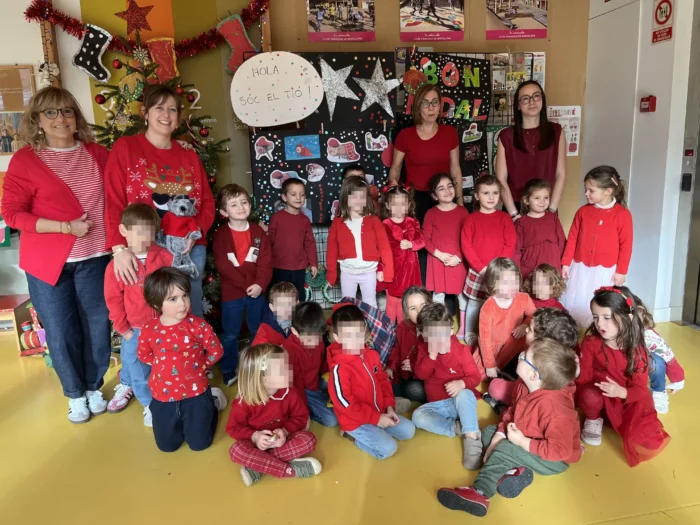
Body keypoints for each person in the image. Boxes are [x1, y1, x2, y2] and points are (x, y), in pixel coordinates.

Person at [2, 87, 111, 424]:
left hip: (95, 256)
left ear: (76, 117)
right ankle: (75, 394)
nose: (60, 118)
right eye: (50, 112)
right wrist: (65, 228)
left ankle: (93, 387)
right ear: (37, 120)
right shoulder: (25, 160)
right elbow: (12, 214)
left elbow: (123, 189)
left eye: (66, 111)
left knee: (96, 327)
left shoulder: (98, 154)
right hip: (47, 263)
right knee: (60, 332)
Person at [437, 339, 581, 518]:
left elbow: (560, 450)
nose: (520, 355)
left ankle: (480, 492)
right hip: (527, 436)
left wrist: (521, 441)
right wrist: (498, 436)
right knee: (489, 433)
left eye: (524, 356)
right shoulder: (525, 385)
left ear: (534, 375)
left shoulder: (555, 410)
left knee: (506, 449)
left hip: (554, 459)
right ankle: (515, 472)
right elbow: (513, 411)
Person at [104, 84, 214, 317]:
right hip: (144, 247)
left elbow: (206, 201)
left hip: (188, 248)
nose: (166, 114)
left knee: (189, 310)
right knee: (149, 312)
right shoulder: (126, 148)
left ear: (178, 117)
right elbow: (113, 201)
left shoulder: (188, 155)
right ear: (145, 113)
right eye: (159, 108)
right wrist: (119, 248)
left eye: (172, 109)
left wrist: (196, 233)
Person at [576, 287, 670, 467]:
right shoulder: (590, 342)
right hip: (598, 393)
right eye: (595, 317)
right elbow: (584, 379)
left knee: (648, 441)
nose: (599, 324)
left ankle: (612, 417)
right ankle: (594, 418)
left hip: (626, 399)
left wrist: (621, 392)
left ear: (628, 317)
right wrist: (575, 372)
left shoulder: (637, 351)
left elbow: (640, 390)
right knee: (588, 395)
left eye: (607, 317)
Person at [137, 268, 223, 452]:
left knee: (200, 445)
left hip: (196, 395)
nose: (183, 303)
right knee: (167, 447)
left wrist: (201, 364)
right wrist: (163, 365)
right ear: (157, 304)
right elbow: (143, 354)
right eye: (173, 299)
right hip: (163, 397)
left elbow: (216, 350)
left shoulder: (198, 326)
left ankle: (213, 404)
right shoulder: (149, 329)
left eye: (185, 295)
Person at [104, 204, 173, 425]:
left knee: (165, 366)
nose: (145, 237)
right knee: (139, 371)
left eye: (150, 231)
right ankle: (149, 406)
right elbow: (113, 301)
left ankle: (167, 398)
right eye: (139, 231)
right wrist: (124, 331)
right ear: (123, 230)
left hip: (165, 326)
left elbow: (176, 290)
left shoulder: (165, 257)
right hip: (135, 331)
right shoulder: (115, 266)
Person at [390, 84, 463, 281]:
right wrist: (396, 200)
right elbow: (395, 169)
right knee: (418, 243)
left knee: (445, 242)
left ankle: (443, 286)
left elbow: (455, 169)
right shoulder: (405, 136)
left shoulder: (450, 133)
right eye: (425, 103)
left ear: (440, 106)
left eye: (435, 102)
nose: (431, 108)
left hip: (444, 198)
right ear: (417, 107)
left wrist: (460, 200)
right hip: (415, 200)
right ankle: (420, 286)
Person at [328, 305, 416, 459]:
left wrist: (389, 407)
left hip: (379, 411)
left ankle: (381, 424)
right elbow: (345, 404)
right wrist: (376, 419)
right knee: (388, 449)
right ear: (338, 338)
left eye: (358, 333)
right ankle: (351, 435)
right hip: (356, 422)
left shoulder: (372, 355)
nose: (355, 340)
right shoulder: (339, 369)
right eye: (348, 335)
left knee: (409, 431)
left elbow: (383, 381)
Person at [226, 343, 321, 486]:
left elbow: (301, 417)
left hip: (283, 440)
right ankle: (289, 471)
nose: (290, 370)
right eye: (283, 369)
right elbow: (233, 428)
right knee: (236, 451)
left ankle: (257, 467)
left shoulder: (291, 392)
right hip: (255, 444)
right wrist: (255, 436)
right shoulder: (243, 401)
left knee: (308, 440)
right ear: (263, 378)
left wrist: (285, 431)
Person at [213, 184, 272, 387]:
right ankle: (228, 368)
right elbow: (223, 266)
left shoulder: (258, 232)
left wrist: (260, 284)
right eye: (234, 204)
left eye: (244, 202)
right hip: (232, 294)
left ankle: (257, 368)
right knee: (230, 334)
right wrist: (247, 284)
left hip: (257, 291)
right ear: (224, 212)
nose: (241, 207)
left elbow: (265, 262)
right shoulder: (221, 235)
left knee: (258, 329)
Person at [412, 303, 482, 469]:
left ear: (450, 330)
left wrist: (461, 383)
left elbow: (475, 377)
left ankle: (472, 440)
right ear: (423, 334)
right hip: (438, 406)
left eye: (441, 335)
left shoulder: (461, 351)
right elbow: (420, 374)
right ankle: (457, 427)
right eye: (431, 336)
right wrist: (431, 356)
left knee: (465, 394)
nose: (437, 341)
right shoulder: (424, 349)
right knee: (417, 416)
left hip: (459, 403)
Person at [561, 166, 633, 327]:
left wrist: (621, 271)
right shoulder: (582, 212)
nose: (586, 193)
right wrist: (566, 263)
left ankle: (597, 329)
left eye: (591, 190)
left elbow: (626, 245)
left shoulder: (623, 215)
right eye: (585, 189)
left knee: (601, 302)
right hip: (580, 267)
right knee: (577, 298)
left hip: (606, 271)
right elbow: (572, 238)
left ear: (608, 191)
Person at [495, 80, 566, 219]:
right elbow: (501, 179)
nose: (532, 102)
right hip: (514, 207)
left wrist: (551, 210)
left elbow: (561, 174)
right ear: (518, 105)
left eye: (536, 96)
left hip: (545, 206)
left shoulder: (556, 132)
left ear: (542, 100)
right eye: (525, 98)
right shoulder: (506, 136)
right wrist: (514, 214)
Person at [485, 307, 579, 410]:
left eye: (530, 329)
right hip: (521, 388)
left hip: (528, 402)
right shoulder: (537, 352)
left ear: (543, 343)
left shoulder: (551, 373)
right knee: (495, 385)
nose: (526, 329)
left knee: (496, 388)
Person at [460, 175, 516, 345]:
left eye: (495, 193)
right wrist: (481, 268)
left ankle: (495, 334)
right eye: (486, 193)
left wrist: (499, 268)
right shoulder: (470, 219)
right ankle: (470, 332)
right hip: (478, 270)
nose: (491, 197)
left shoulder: (505, 218)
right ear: (477, 196)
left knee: (497, 304)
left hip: (500, 272)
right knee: (474, 303)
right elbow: (466, 246)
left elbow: (510, 243)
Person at [326, 176, 393, 308]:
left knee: (370, 304)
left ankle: (371, 323)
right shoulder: (338, 223)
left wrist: (388, 271)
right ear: (345, 198)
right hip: (347, 272)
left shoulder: (374, 221)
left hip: (369, 272)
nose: (358, 200)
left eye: (362, 196)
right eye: (354, 196)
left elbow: (384, 247)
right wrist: (331, 275)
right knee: (347, 305)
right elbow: (331, 251)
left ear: (367, 198)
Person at [472, 258, 535, 380]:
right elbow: (484, 338)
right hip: (494, 348)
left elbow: (534, 314)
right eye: (506, 283)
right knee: (478, 376)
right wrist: (489, 364)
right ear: (493, 285)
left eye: (515, 281)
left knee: (525, 368)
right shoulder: (488, 307)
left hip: (516, 343)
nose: (513, 286)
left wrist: (525, 325)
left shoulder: (523, 298)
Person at [423, 173, 469, 330]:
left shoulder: (463, 212)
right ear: (434, 195)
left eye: (450, 186)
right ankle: (440, 327)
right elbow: (425, 239)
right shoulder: (431, 214)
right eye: (441, 188)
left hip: (458, 260)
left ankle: (463, 328)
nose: (447, 190)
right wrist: (440, 255)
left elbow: (468, 239)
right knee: (438, 295)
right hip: (438, 261)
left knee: (462, 295)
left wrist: (459, 257)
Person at [628, 290, 685, 414]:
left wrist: (678, 380)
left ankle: (658, 392)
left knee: (656, 360)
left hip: (638, 361)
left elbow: (667, 355)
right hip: (622, 366)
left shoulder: (649, 337)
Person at [379, 185, 424, 322]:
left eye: (403, 204)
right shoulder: (385, 224)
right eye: (395, 204)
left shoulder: (412, 222)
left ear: (408, 205)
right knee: (392, 302)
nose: (399, 208)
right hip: (392, 270)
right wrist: (380, 269)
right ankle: (389, 329)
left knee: (406, 303)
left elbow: (422, 241)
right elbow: (378, 249)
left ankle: (402, 331)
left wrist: (411, 244)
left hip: (410, 271)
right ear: (387, 205)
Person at [268, 179, 318, 302]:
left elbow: (309, 243)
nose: (298, 198)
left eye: (302, 194)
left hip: (299, 267)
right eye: (293, 194)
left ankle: (298, 315)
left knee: (298, 297)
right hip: (279, 266)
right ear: (284, 197)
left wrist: (313, 263)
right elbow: (269, 241)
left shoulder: (305, 220)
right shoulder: (277, 218)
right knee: (280, 297)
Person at [386, 286, 432, 403]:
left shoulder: (435, 328)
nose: (419, 312)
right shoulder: (403, 326)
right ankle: (396, 400)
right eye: (413, 308)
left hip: (428, 378)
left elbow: (436, 363)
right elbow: (396, 349)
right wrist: (391, 367)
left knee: (415, 390)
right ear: (406, 313)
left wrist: (414, 366)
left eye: (423, 306)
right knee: (385, 381)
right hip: (406, 376)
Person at [513, 179, 566, 279]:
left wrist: (564, 264)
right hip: (530, 269)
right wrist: (516, 272)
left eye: (546, 197)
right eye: (537, 198)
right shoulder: (521, 222)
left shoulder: (553, 218)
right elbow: (516, 250)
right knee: (532, 288)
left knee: (552, 288)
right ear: (526, 200)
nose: (542, 201)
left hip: (553, 267)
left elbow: (562, 243)